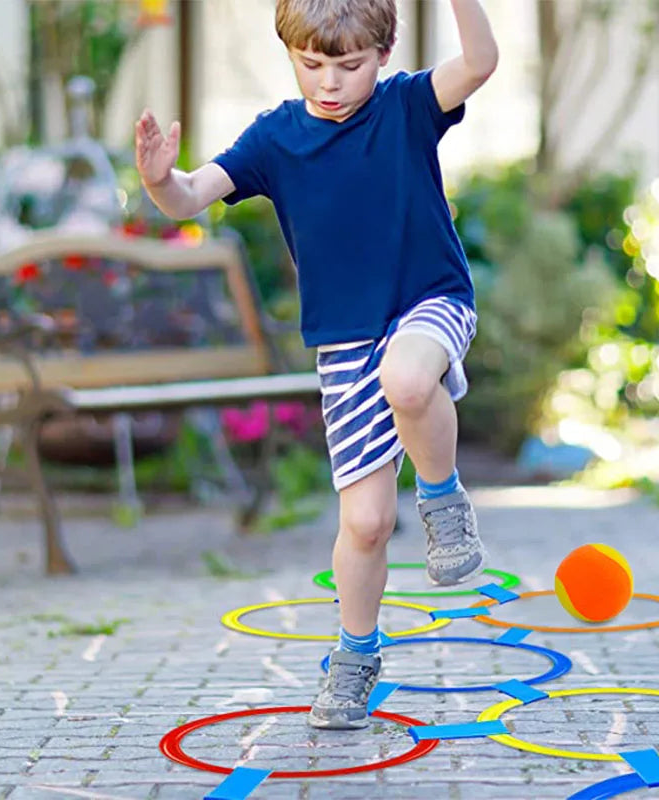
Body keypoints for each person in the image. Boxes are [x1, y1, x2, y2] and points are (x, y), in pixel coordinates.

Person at [135, 0, 498, 730]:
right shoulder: (275, 138)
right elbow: (190, 198)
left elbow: (481, 63)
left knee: (409, 378)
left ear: (382, 55)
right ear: (293, 54)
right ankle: (357, 654)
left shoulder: (406, 107)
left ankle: (443, 499)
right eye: (313, 64)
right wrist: (157, 180)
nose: (330, 81)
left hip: (430, 302)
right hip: (345, 342)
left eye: (349, 65)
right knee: (363, 523)